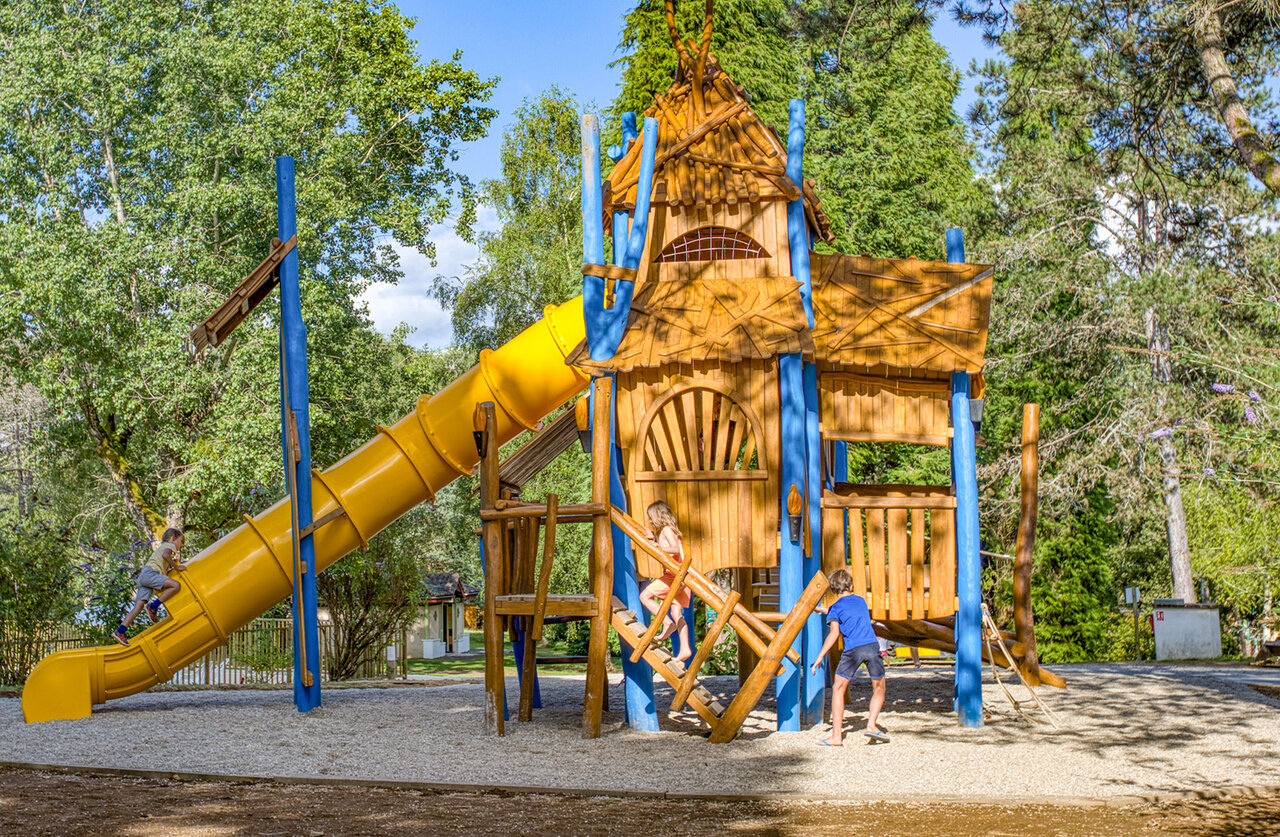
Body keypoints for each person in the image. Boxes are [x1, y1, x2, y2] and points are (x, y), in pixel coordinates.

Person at [811, 568, 888, 745]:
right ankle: (871, 725)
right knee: (879, 688)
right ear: (851, 586)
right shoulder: (861, 601)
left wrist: (819, 657)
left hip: (853, 650)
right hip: (872, 646)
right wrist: (824, 610)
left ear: (833, 590)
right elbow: (851, 612)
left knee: (838, 688)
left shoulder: (835, 608)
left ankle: (836, 736)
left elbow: (834, 634)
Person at [639, 501, 692, 662]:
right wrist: (654, 538)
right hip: (680, 577)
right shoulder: (663, 532)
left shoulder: (668, 530)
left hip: (674, 576)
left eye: (651, 518)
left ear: (658, 516)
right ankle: (685, 649)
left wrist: (658, 547)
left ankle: (666, 621)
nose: (650, 521)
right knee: (677, 614)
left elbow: (675, 549)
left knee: (645, 596)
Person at [114, 528, 186, 646]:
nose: (182, 545)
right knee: (176, 585)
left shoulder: (162, 548)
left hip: (144, 577)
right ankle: (153, 606)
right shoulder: (169, 546)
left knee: (138, 607)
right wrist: (177, 567)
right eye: (181, 541)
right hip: (151, 574)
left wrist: (172, 564)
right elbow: (165, 555)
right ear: (173, 538)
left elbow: (164, 561)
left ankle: (120, 631)